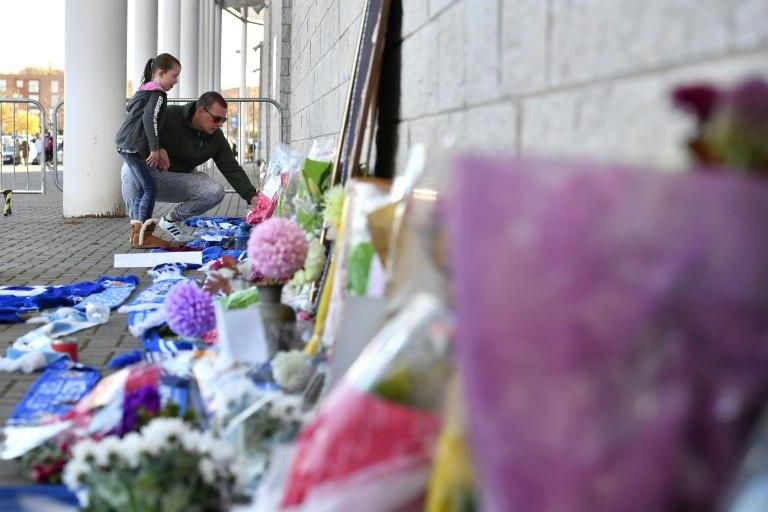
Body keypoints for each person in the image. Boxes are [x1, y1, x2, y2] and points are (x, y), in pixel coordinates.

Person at [120, 91, 261, 242]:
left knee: (215, 191)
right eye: (216, 119)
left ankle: (170, 220)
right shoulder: (169, 115)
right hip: (150, 173)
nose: (220, 124)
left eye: (223, 120)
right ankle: (139, 230)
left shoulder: (216, 137)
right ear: (200, 110)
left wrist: (251, 196)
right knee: (130, 170)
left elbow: (231, 167)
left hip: (179, 180)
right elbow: (134, 134)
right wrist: (157, 148)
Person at [115, 53, 181, 249]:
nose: (176, 81)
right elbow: (149, 120)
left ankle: (136, 235)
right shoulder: (157, 94)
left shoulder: (143, 91)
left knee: (144, 188)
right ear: (161, 73)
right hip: (136, 146)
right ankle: (144, 235)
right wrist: (154, 148)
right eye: (174, 76)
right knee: (150, 188)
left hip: (125, 144)